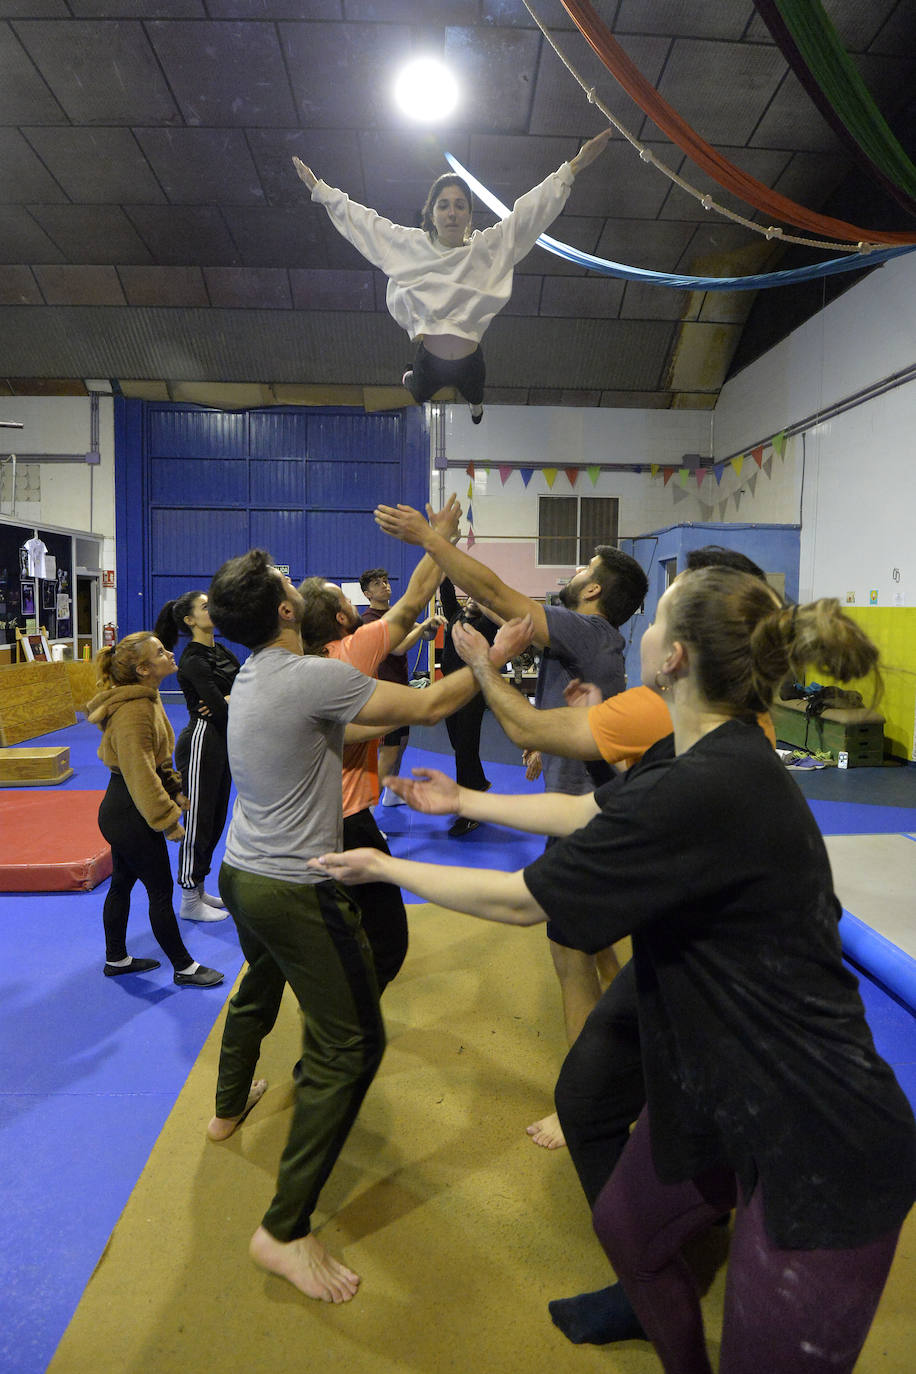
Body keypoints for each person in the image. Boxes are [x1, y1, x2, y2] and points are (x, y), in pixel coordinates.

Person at [311, 568, 916, 1372]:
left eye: (659, 622)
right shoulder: (700, 753)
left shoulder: (710, 781)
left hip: (821, 1132)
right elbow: (588, 811)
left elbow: (522, 902)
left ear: (675, 658)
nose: (645, 638)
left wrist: (386, 872)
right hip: (729, 1083)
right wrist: (464, 802)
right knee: (629, 1227)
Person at [204, 549, 528, 1304]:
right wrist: (493, 657)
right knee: (356, 1043)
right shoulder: (310, 676)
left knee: (285, 992)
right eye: (288, 584)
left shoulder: (253, 674)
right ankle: (283, 1229)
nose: (299, 587)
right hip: (290, 882)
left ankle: (232, 1105)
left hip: (244, 871)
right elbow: (423, 709)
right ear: (285, 612)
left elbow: (403, 629)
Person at [375, 498, 648, 1148]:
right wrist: (549, 739)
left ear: (595, 589)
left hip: (587, 823)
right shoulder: (594, 644)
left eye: (584, 567)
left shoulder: (583, 630)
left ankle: (588, 1101)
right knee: (598, 943)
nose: (575, 573)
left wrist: (428, 542)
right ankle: (643, 1037)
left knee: (567, 953)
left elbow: (497, 594)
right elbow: (564, 691)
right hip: (593, 808)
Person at [292, 128, 612, 423]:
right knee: (417, 390)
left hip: (469, 356)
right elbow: (366, 224)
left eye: (459, 206)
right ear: (431, 214)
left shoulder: (485, 249)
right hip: (429, 359)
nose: (451, 212)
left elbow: (527, 216)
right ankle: (410, 377)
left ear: (469, 217)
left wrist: (573, 168)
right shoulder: (412, 245)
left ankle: (475, 407)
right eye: (444, 205)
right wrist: (321, 190)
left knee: (475, 392)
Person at [297, 495, 456, 991]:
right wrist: (439, 536)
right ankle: (353, 1016)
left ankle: (334, 997)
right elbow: (415, 596)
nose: (357, 602)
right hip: (345, 817)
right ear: (344, 619)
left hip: (302, 821)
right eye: (348, 601)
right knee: (389, 936)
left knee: (336, 918)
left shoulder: (295, 663)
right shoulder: (353, 645)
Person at [87, 632, 224, 989]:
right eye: (161, 652)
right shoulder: (133, 710)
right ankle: (184, 967)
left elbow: (159, 757)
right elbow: (140, 774)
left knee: (121, 883)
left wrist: (176, 790)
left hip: (128, 809)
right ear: (144, 669)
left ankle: (116, 959)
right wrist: (167, 821)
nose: (170, 654)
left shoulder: (148, 698)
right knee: (160, 892)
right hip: (130, 812)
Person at [153, 590, 241, 924]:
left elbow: (246, 685)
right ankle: (189, 896)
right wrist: (231, 698)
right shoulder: (192, 658)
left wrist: (231, 696)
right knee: (199, 819)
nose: (213, 610)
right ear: (190, 620)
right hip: (202, 740)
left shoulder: (220, 651)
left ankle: (200, 886)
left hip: (222, 739)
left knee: (216, 817)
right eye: (206, 607)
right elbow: (217, 707)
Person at [358, 565, 441, 805]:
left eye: (385, 581)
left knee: (402, 744)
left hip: (401, 689)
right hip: (382, 695)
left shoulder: (396, 614)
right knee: (388, 751)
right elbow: (398, 647)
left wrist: (431, 626)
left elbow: (426, 637)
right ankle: (369, 811)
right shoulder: (369, 621)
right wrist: (423, 626)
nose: (385, 586)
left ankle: (391, 793)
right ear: (367, 594)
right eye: (377, 584)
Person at [437, 577, 498, 836]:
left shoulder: (486, 624)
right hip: (451, 691)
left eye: (478, 597)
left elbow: (496, 614)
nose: (472, 599)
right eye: (470, 595)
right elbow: (447, 593)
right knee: (458, 745)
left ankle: (468, 811)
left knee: (464, 748)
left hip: (472, 693)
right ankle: (479, 782)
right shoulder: (456, 615)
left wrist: (486, 601)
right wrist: (443, 561)